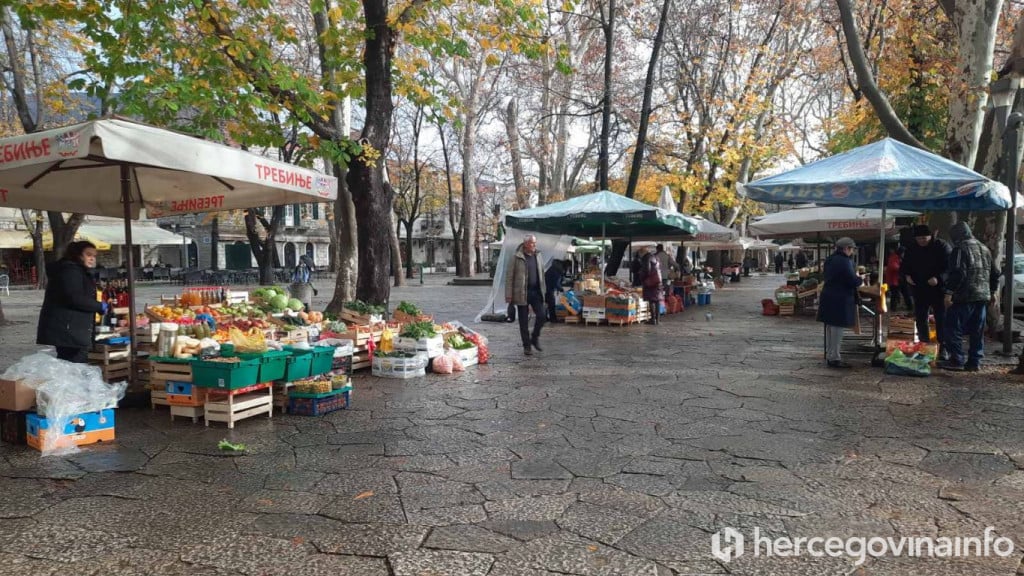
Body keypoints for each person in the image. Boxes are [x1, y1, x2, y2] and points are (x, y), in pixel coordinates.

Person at [941, 222, 999, 371]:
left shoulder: (960, 249)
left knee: (953, 328)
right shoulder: (985, 248)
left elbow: (959, 272)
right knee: (977, 330)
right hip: (982, 296)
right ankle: (975, 361)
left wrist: (949, 292)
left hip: (964, 296)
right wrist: (992, 291)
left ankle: (957, 359)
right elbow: (995, 273)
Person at [37, 241, 106, 364]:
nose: (92, 259)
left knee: (70, 363)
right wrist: (98, 306)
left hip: (72, 328)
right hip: (68, 329)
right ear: (78, 255)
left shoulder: (78, 270)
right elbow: (75, 297)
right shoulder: (70, 271)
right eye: (88, 255)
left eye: (94, 256)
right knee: (74, 363)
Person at [901, 224, 951, 355]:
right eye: (919, 239)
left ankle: (943, 347)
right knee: (921, 317)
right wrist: (907, 275)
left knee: (941, 318)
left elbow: (949, 268)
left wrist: (939, 278)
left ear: (931, 236)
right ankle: (924, 345)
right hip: (919, 288)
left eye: (924, 238)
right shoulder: (912, 248)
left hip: (938, 289)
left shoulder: (942, 246)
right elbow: (905, 265)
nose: (922, 241)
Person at [818, 237, 863, 369]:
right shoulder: (844, 261)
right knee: (837, 328)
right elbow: (851, 280)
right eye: (852, 249)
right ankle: (835, 358)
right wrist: (860, 280)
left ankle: (831, 355)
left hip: (829, 295)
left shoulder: (830, 259)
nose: (852, 252)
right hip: (840, 298)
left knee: (831, 328)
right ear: (846, 248)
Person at [505, 235, 546, 355]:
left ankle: (535, 337)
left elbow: (542, 274)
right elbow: (509, 277)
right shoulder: (516, 257)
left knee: (542, 316)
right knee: (523, 322)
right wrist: (509, 295)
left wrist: (544, 291)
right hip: (521, 293)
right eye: (533, 243)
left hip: (536, 292)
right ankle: (526, 346)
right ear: (526, 244)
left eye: (535, 242)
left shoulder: (538, 255)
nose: (535, 245)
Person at [638, 247, 664, 325]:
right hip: (658, 280)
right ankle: (657, 319)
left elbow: (647, 270)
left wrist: (642, 277)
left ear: (642, 252)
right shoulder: (655, 257)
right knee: (657, 300)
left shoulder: (647, 258)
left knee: (651, 299)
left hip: (650, 281)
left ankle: (653, 319)